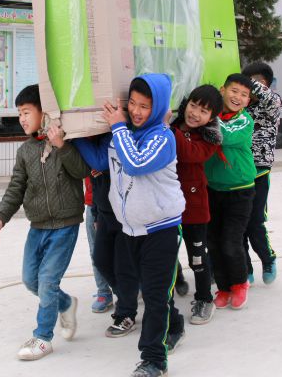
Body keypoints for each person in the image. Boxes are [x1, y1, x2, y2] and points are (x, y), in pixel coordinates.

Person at [75, 74, 185, 377]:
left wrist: (118, 125)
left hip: (161, 230)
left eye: (145, 106)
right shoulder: (120, 135)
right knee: (133, 282)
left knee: (153, 296)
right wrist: (72, 133)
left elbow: (136, 163)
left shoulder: (163, 137)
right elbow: (99, 160)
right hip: (129, 229)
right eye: (133, 104)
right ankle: (173, 322)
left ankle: (153, 360)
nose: (136, 111)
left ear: (158, 106)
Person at [0, 84, 89, 362]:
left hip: (66, 225)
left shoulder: (66, 141)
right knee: (31, 280)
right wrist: (0, 216)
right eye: (19, 113)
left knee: (47, 281)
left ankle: (43, 338)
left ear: (43, 112)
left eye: (26, 112)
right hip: (38, 226)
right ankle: (66, 304)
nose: (22, 118)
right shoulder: (25, 151)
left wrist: (62, 146)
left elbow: (82, 171)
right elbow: (16, 187)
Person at [75, 136, 139, 337]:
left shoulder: (113, 135)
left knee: (123, 265)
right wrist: (94, 210)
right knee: (101, 260)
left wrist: (74, 138)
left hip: (124, 212)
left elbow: (100, 161)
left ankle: (126, 313)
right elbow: (95, 178)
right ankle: (126, 296)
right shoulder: (92, 137)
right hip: (103, 210)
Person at [171, 85, 223, 325]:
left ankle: (204, 299)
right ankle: (176, 282)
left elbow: (189, 154)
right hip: (167, 204)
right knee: (167, 253)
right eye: (193, 105)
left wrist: (168, 128)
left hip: (194, 206)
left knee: (198, 256)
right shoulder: (173, 124)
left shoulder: (208, 139)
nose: (195, 113)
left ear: (211, 118)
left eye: (203, 111)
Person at [204, 74, 257, 311]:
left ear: (248, 101)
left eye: (244, 95)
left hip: (240, 191)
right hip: (213, 189)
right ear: (223, 90)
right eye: (234, 91)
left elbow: (223, 136)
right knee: (213, 242)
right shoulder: (212, 115)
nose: (238, 97)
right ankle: (223, 287)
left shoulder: (245, 121)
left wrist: (207, 115)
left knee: (230, 241)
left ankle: (239, 283)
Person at [242, 62, 282, 285]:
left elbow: (265, 96)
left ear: (265, 84)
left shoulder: (273, 103)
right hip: (238, 173)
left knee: (255, 222)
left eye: (254, 83)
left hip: (259, 171)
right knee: (237, 226)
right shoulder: (241, 107)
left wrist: (242, 83)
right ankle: (245, 267)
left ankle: (268, 259)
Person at [83, 176, 114, 313]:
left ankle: (137, 284)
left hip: (123, 195)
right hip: (94, 200)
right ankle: (103, 291)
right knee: (96, 250)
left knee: (128, 246)